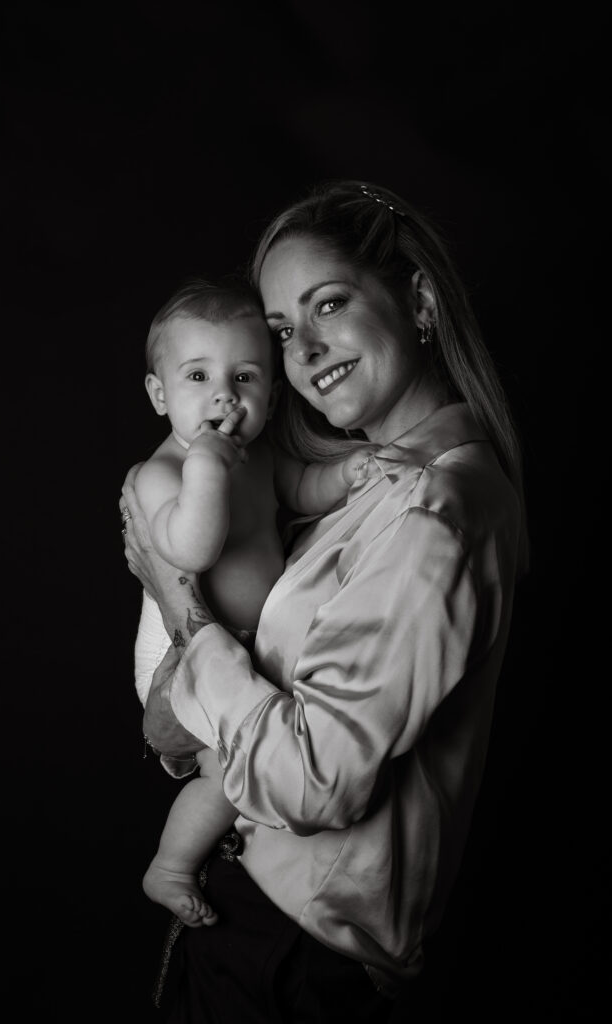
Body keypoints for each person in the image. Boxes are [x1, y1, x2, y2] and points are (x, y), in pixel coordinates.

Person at [120, 180, 527, 1022]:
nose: (301, 350)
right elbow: (185, 721)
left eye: (328, 305)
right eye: (279, 332)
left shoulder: (432, 514)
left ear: (417, 301)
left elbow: (312, 786)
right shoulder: (374, 486)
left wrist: (179, 603)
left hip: (293, 954)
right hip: (249, 920)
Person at [131, 278, 382, 928]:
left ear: (269, 397)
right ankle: (169, 866)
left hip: (245, 643)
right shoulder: (161, 475)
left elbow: (298, 488)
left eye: (244, 378)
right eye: (197, 376)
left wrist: (341, 478)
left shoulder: (261, 455)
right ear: (160, 394)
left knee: (271, 748)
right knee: (223, 776)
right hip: (179, 653)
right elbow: (189, 549)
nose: (224, 395)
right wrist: (206, 470)